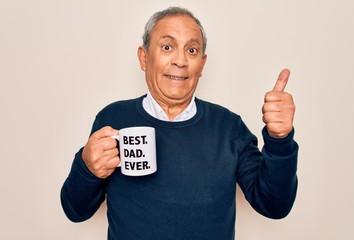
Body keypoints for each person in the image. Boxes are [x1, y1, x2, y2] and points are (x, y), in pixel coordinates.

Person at [61, 6, 298, 240]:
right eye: (167, 47)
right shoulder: (112, 119)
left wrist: (280, 141)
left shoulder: (229, 127)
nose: (181, 61)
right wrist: (87, 168)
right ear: (144, 57)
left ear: (202, 65)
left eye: (192, 50)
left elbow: (274, 206)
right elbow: (75, 211)